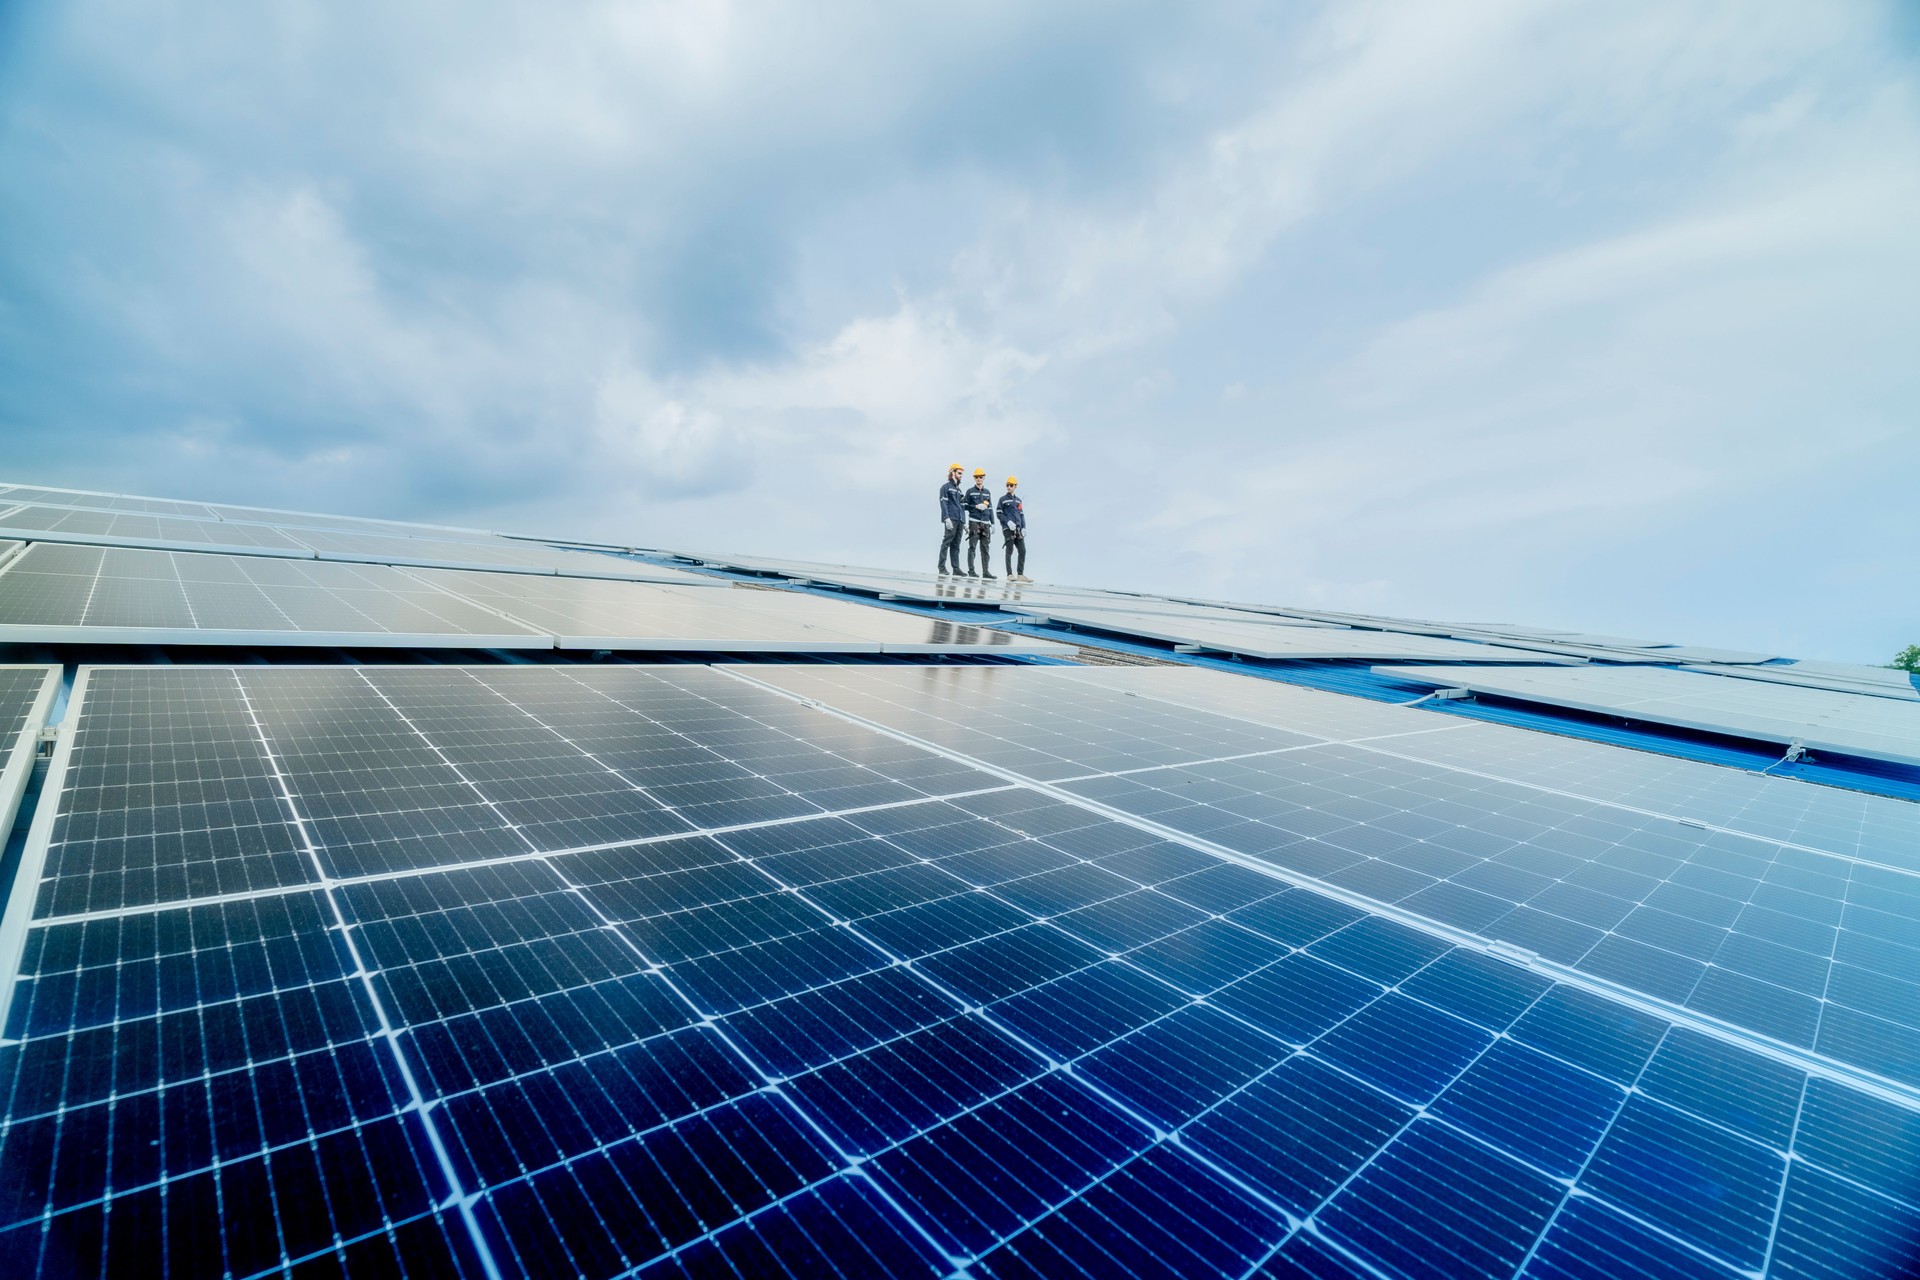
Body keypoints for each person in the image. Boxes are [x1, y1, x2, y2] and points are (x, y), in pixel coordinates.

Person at [964, 467, 995, 578]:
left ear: (983, 478)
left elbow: (990, 508)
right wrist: (975, 506)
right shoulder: (970, 492)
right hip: (974, 523)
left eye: (980, 477)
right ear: (974, 478)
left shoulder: (987, 493)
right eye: (976, 477)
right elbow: (964, 505)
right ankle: (971, 571)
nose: (978, 479)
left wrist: (993, 523)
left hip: (986, 523)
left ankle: (986, 572)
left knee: (985, 548)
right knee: (972, 547)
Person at [998, 475, 1028, 581]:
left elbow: (1021, 515)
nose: (1009, 487)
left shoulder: (1019, 501)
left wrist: (1023, 527)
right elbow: (999, 513)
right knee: (1009, 550)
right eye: (1007, 485)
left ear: (1015, 486)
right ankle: (1009, 574)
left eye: (1011, 485)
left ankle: (1020, 574)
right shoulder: (1002, 500)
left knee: (1022, 550)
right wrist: (1008, 522)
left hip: (1018, 529)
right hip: (1008, 529)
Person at [937, 463, 965, 574]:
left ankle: (956, 568)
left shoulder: (959, 490)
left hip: (959, 520)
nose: (961, 475)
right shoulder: (946, 487)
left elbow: (962, 507)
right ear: (952, 473)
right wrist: (946, 518)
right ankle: (941, 567)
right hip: (951, 519)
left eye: (962, 474)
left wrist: (964, 522)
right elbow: (943, 503)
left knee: (956, 545)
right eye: (959, 473)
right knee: (946, 542)